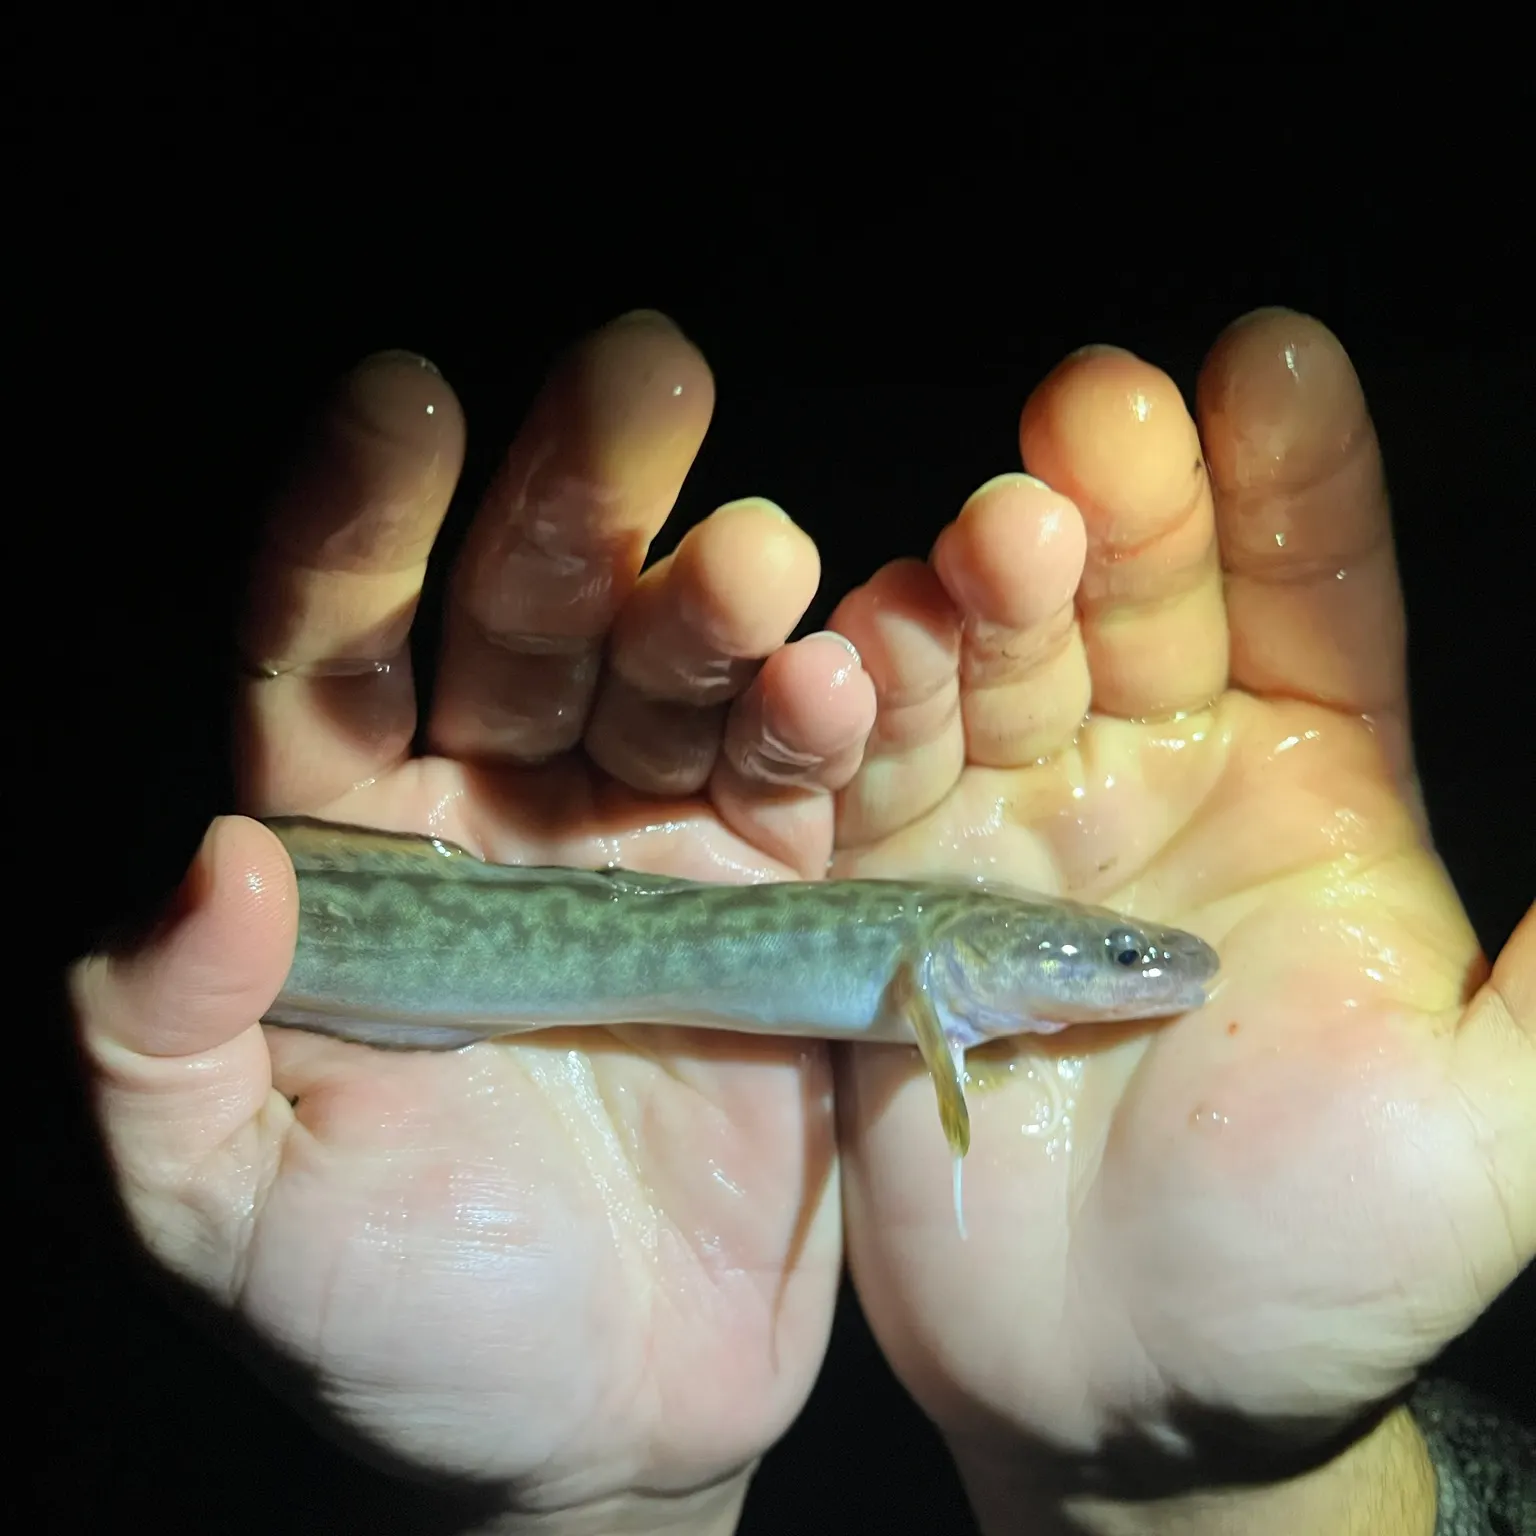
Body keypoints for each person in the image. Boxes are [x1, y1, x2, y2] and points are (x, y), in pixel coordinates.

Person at [67, 309, 1534, 1535]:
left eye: (1126, 956)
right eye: (1113, 955)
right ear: (978, 954)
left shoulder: (956, 970)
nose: (1144, 974)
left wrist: (1225, 1479)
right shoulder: (939, 963)